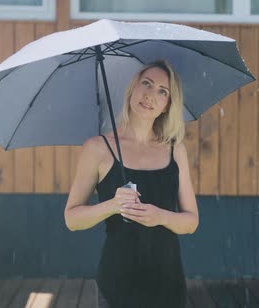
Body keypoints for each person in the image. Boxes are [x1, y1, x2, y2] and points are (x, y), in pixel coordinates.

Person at [64, 60, 199, 308]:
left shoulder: (175, 150)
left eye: (162, 91)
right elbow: (72, 219)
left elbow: (191, 222)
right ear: (132, 89)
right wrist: (113, 205)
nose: (151, 95)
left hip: (167, 282)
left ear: (168, 105)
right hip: (117, 283)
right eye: (146, 84)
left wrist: (161, 217)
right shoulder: (97, 148)